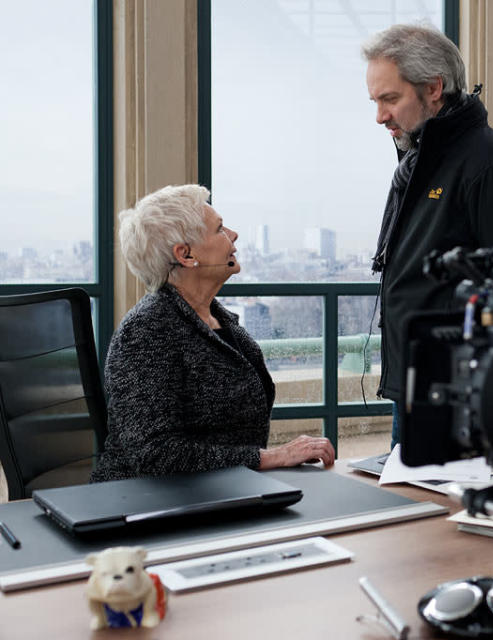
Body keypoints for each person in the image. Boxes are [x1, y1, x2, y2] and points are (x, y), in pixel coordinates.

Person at [363, 24, 493, 448]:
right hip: (416, 386)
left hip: (463, 396)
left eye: (390, 99)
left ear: (434, 88)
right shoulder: (417, 163)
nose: (379, 116)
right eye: (375, 101)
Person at [91, 184, 335, 482]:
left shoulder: (220, 320)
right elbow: (155, 454)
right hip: (150, 508)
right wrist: (269, 458)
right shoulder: (146, 331)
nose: (232, 234)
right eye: (219, 229)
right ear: (185, 255)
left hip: (223, 492)